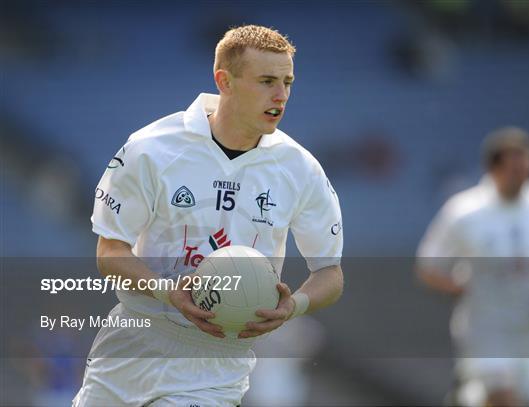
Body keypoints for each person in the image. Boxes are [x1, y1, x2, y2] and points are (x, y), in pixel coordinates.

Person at [73, 25, 344, 406]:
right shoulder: (151, 149)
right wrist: (169, 292)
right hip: (132, 341)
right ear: (225, 80)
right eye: (266, 81)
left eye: (287, 82)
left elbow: (330, 273)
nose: (280, 95)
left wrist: (293, 306)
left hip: (216, 362)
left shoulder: (300, 168)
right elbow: (110, 252)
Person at [416, 127, 529, 407]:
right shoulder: (465, 211)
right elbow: (428, 266)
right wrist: (465, 289)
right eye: (513, 168)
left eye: (525, 167)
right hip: (487, 326)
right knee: (503, 397)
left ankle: (467, 397)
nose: (520, 175)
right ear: (494, 168)